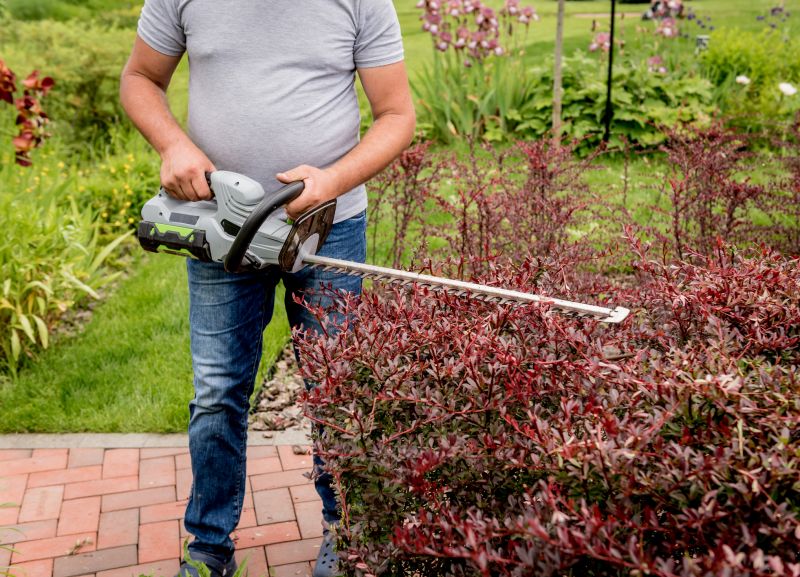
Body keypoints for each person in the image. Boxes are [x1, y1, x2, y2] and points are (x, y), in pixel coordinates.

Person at [119, 1, 415, 576]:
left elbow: (397, 114)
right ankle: (208, 546)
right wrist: (172, 145)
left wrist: (331, 180)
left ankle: (347, 531)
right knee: (217, 392)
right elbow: (140, 78)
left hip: (327, 225)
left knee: (336, 389)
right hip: (218, 225)